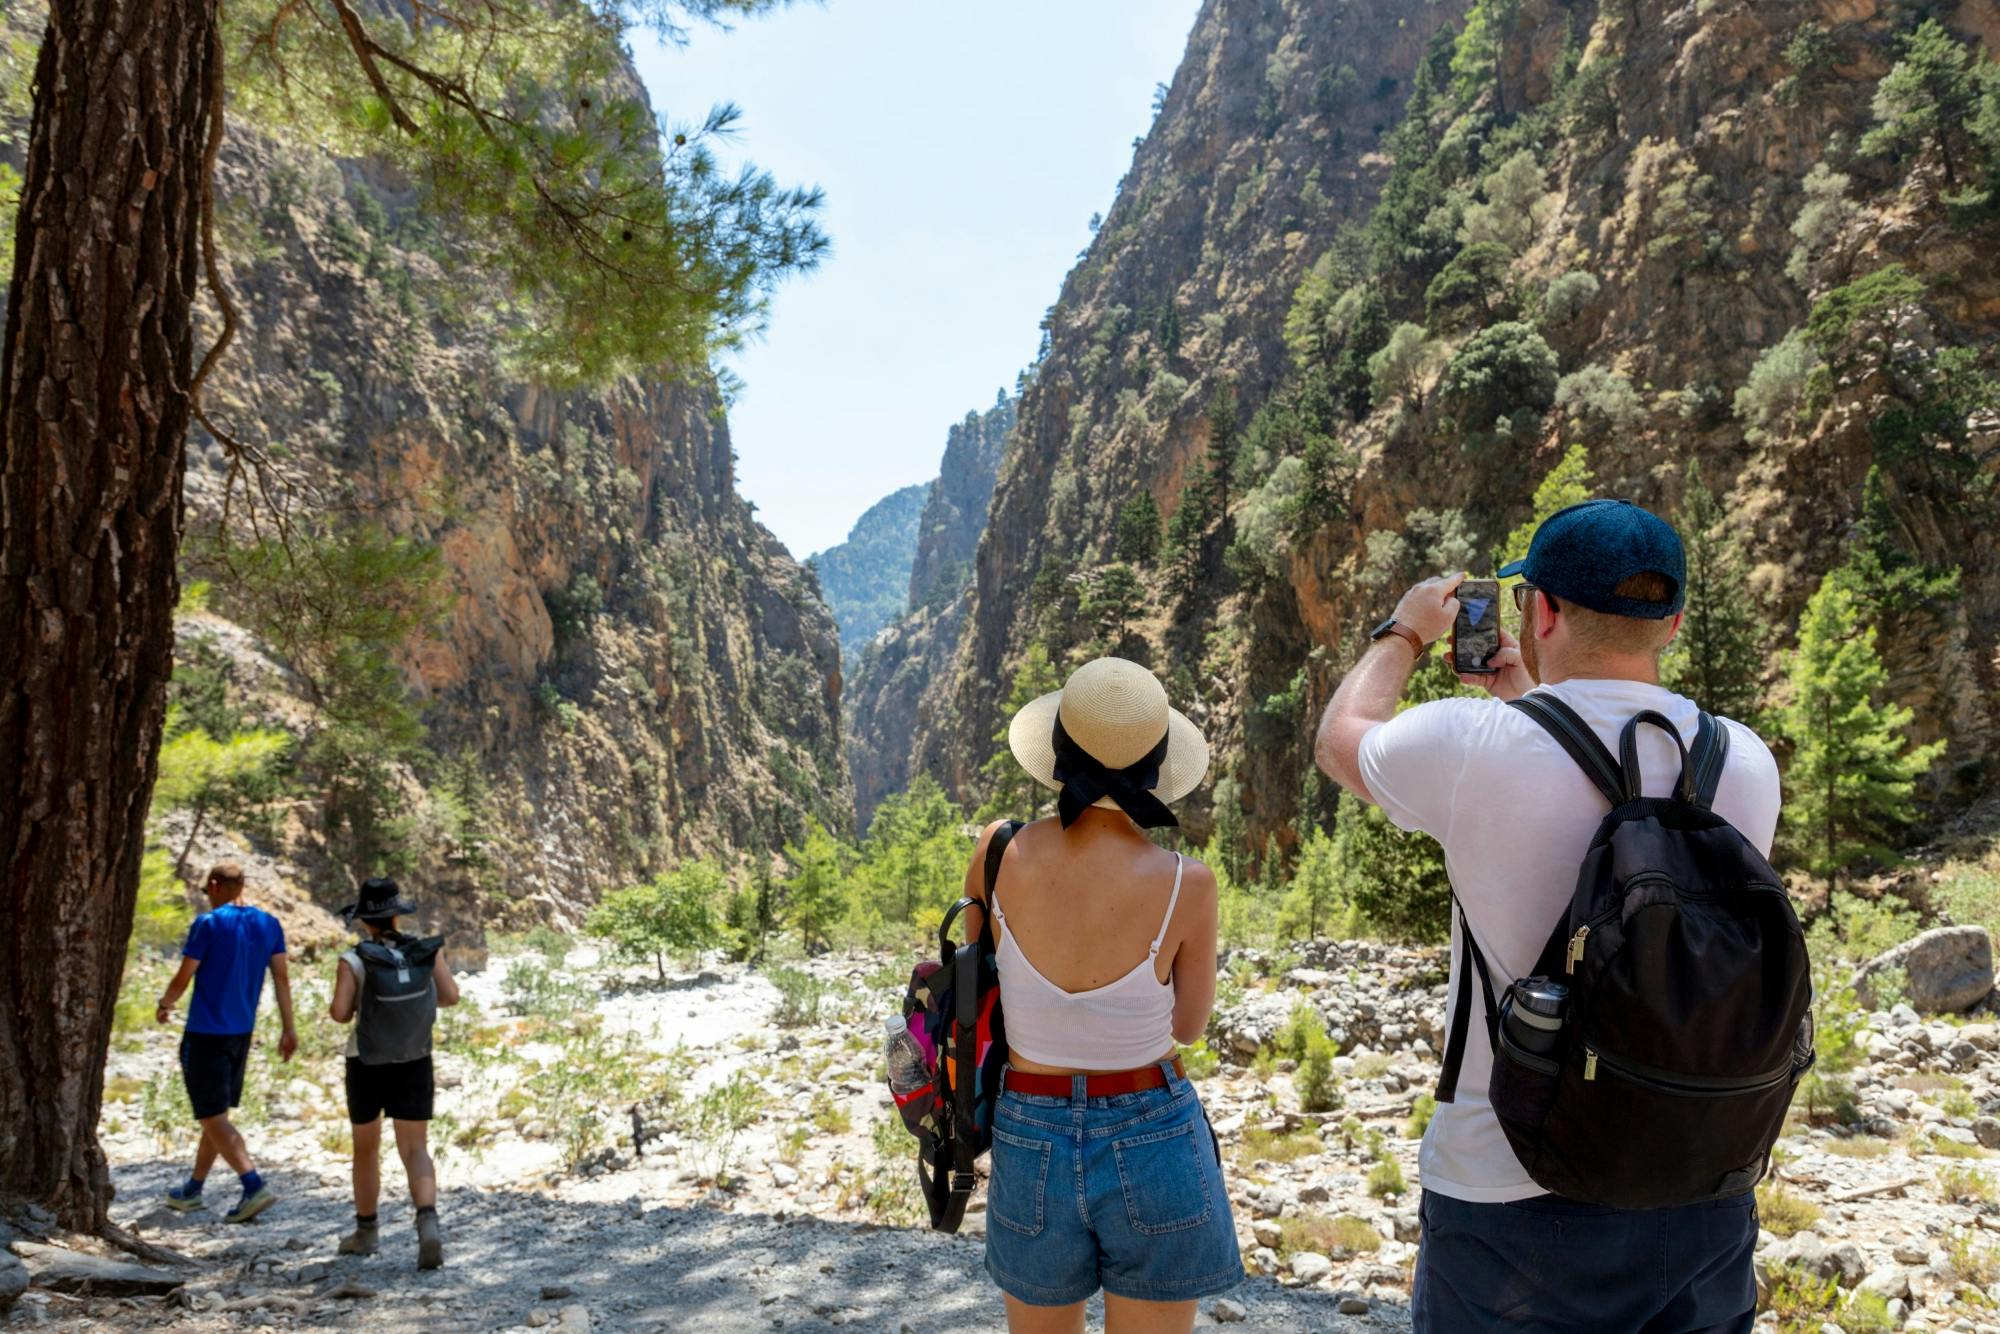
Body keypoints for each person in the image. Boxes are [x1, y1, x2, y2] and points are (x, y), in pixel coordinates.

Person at [1314, 499, 1782, 1333]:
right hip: (1703, 1189)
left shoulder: (1469, 746)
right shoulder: (1743, 759)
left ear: (1544, 608)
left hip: (1512, 1195)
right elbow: (1610, 791)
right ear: (1671, 622)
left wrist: (1404, 632)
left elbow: (1342, 738)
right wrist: (1528, 692)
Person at [968, 656, 1240, 1334]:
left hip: (1030, 1128)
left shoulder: (996, 852)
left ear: (1058, 751)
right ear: (1157, 766)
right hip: (1154, 1129)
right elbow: (1190, 1025)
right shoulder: (1188, 882)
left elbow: (980, 985)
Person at [329, 876, 459, 1269]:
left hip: (366, 1063)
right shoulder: (425, 951)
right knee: (415, 1148)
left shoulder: (354, 959)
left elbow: (339, 1013)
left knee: (366, 1148)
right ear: (397, 915)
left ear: (364, 920)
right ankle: (428, 1223)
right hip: (415, 1059)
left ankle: (366, 1232)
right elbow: (451, 996)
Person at [156, 861, 297, 1223]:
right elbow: (282, 978)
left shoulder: (208, 924)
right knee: (216, 1114)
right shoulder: (269, 924)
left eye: (207, 892)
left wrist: (165, 1004)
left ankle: (253, 1185)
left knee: (212, 1115)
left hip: (205, 1032)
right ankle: (193, 1189)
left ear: (216, 885)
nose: (208, 899)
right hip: (241, 1033)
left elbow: (184, 974)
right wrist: (288, 1028)